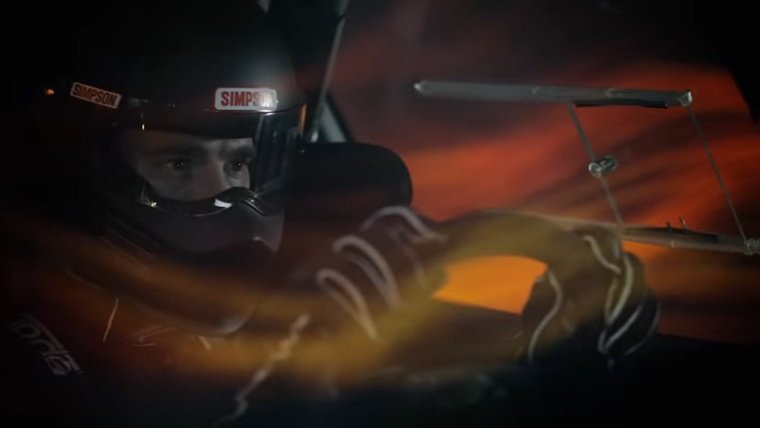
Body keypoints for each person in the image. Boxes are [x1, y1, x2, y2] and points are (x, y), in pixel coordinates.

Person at [2, 1, 659, 426]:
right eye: (179, 164)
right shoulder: (39, 357)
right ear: (89, 167)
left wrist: (563, 377)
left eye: (244, 162)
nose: (230, 198)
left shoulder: (321, 303)